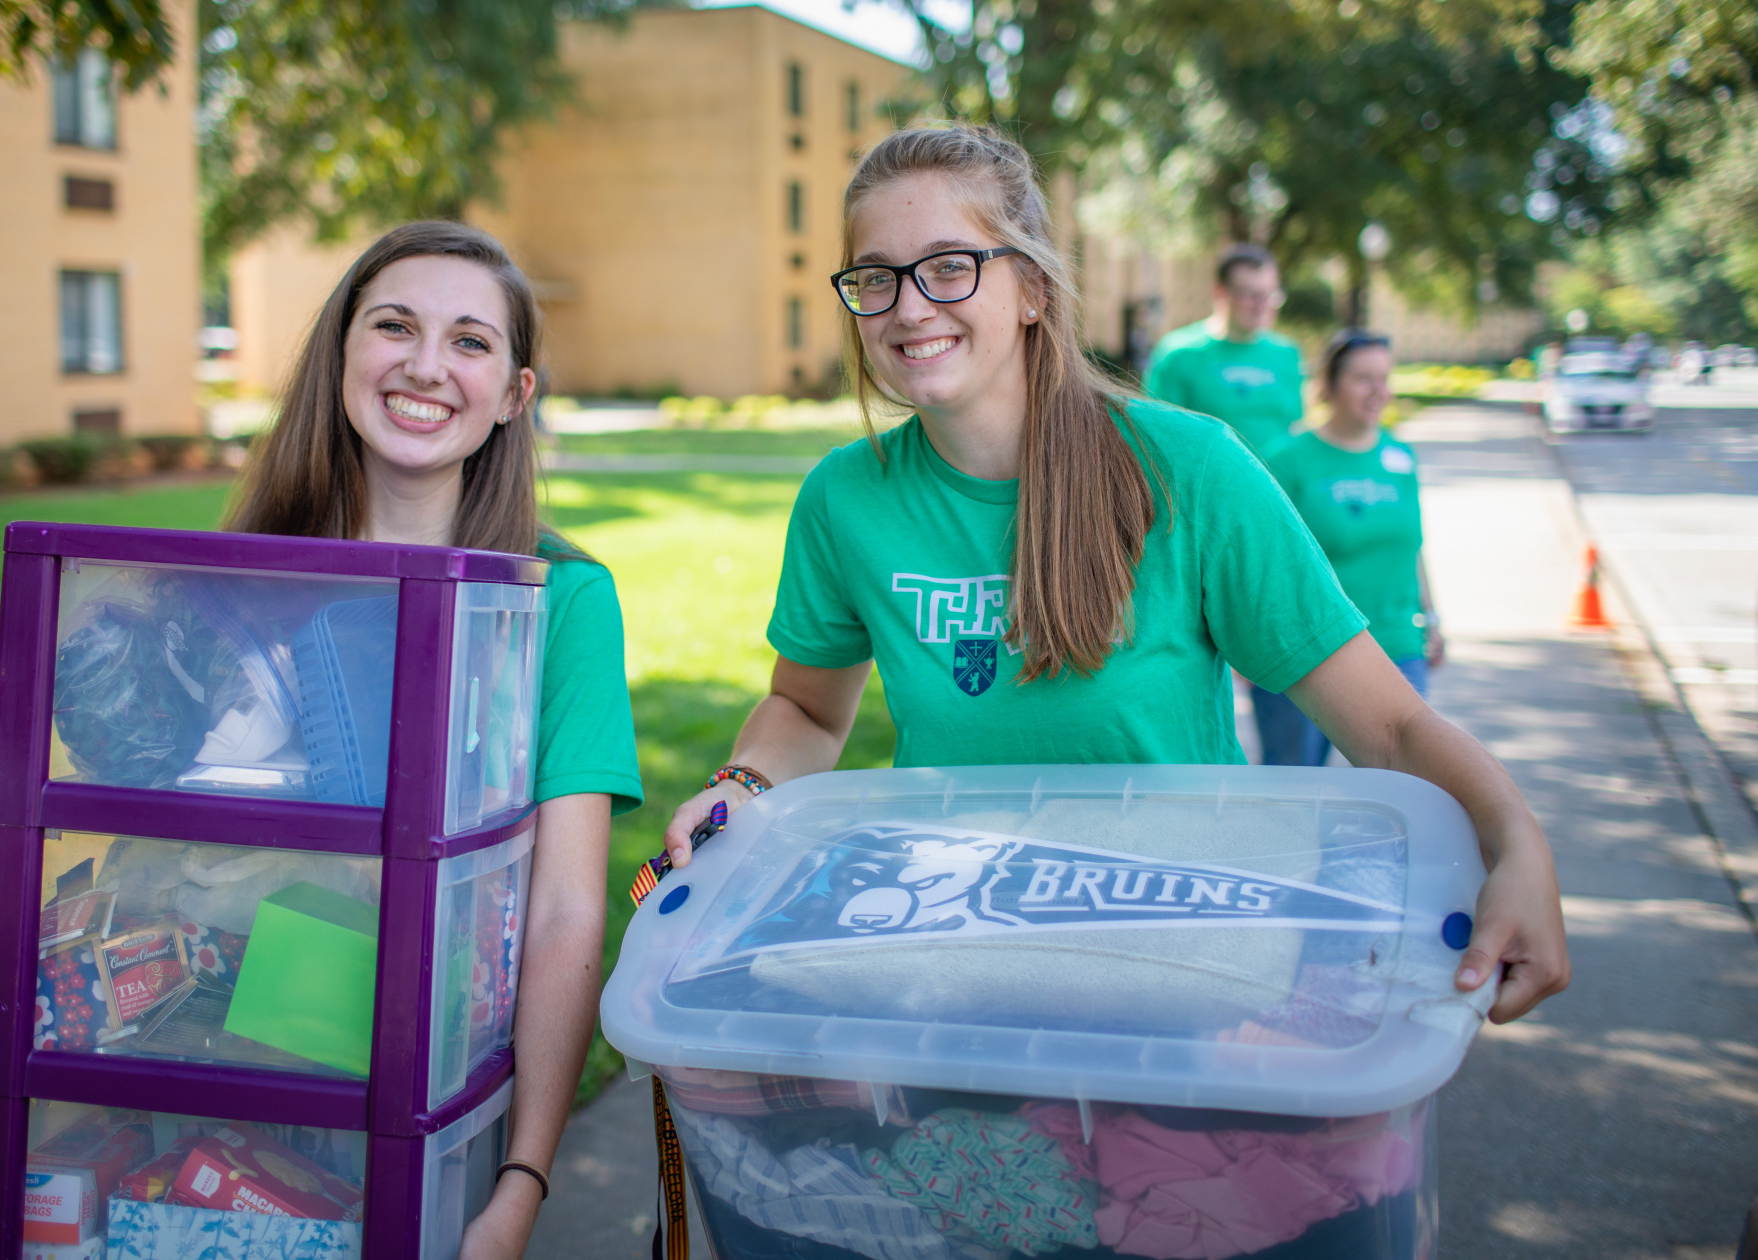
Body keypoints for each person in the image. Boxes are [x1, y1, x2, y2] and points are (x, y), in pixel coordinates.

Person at [660, 125, 1567, 1033]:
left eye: (948, 266)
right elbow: (809, 714)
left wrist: (1514, 839)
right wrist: (740, 785)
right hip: (954, 969)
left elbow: (1393, 724)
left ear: (1032, 288)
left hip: (1181, 969)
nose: (907, 307)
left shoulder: (1189, 468)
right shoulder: (843, 500)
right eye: (875, 277)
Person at [227, 221, 642, 1260]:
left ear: (513, 393)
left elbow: (561, 912)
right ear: (340, 357)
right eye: (394, 326)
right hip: (249, 1050)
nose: (423, 365)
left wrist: (520, 1183)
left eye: (469, 341)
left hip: (444, 1077)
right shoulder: (246, 578)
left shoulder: (564, 601)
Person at [1251, 328, 1443, 766]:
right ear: (1331, 385)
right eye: (1363, 379)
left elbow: (1412, 546)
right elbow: (1265, 563)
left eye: (1384, 378)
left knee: (1406, 786)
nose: (1379, 392)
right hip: (1309, 653)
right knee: (1295, 791)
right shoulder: (1287, 459)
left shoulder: (1399, 457)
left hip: (1396, 643)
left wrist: (1430, 616)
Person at [1142, 244, 1306, 459]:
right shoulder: (1179, 353)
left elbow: (1295, 428)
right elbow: (1158, 435)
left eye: (1270, 294)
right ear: (1220, 292)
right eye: (1250, 294)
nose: (1262, 305)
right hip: (1210, 486)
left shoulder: (1287, 353)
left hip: (1275, 486)